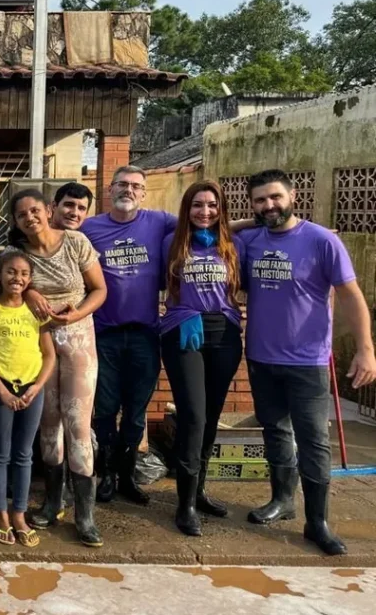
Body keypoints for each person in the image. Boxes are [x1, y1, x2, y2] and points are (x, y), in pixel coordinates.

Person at [241, 169, 376, 556]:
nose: (270, 206)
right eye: (261, 200)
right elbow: (211, 228)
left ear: (293, 196)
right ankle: (282, 501)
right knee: (275, 431)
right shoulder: (251, 240)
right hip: (261, 357)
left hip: (308, 361)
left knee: (314, 440)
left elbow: (350, 295)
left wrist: (365, 348)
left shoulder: (321, 241)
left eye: (276, 198)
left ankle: (317, 521)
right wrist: (249, 222)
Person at [14, 189, 107, 547]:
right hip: (39, 344)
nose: (30, 218)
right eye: (22, 215)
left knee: (78, 425)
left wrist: (76, 313)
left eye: (35, 210)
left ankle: (85, 515)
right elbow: (5, 287)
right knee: (48, 425)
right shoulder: (17, 254)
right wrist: (29, 294)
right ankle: (54, 501)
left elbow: (99, 289)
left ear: (48, 210)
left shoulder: (75, 242)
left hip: (79, 340)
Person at [79, 165, 177, 505]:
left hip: (145, 335)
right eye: (122, 184)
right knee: (104, 409)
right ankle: (106, 474)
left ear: (144, 193)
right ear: (110, 189)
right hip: (104, 333)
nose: (129, 190)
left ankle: (127, 475)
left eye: (136, 185)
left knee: (136, 411)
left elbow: (208, 226)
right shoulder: (90, 227)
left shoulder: (160, 222)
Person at [160, 181, 245, 537]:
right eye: (197, 205)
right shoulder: (171, 243)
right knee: (193, 416)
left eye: (212, 205)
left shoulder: (234, 245)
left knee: (210, 418)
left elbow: (262, 227)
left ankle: (199, 491)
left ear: (221, 209)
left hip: (223, 334)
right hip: (183, 331)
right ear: (186, 209)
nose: (205, 212)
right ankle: (184, 505)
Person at [0, 251, 56, 548]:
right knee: (1, 453)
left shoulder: (36, 313)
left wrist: (36, 387)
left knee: (24, 454)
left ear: (30, 279)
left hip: (33, 390)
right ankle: (0, 514)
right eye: (11, 272)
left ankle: (19, 513)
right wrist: (2, 391)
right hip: (0, 389)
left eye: (23, 273)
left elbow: (49, 355)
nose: (17, 278)